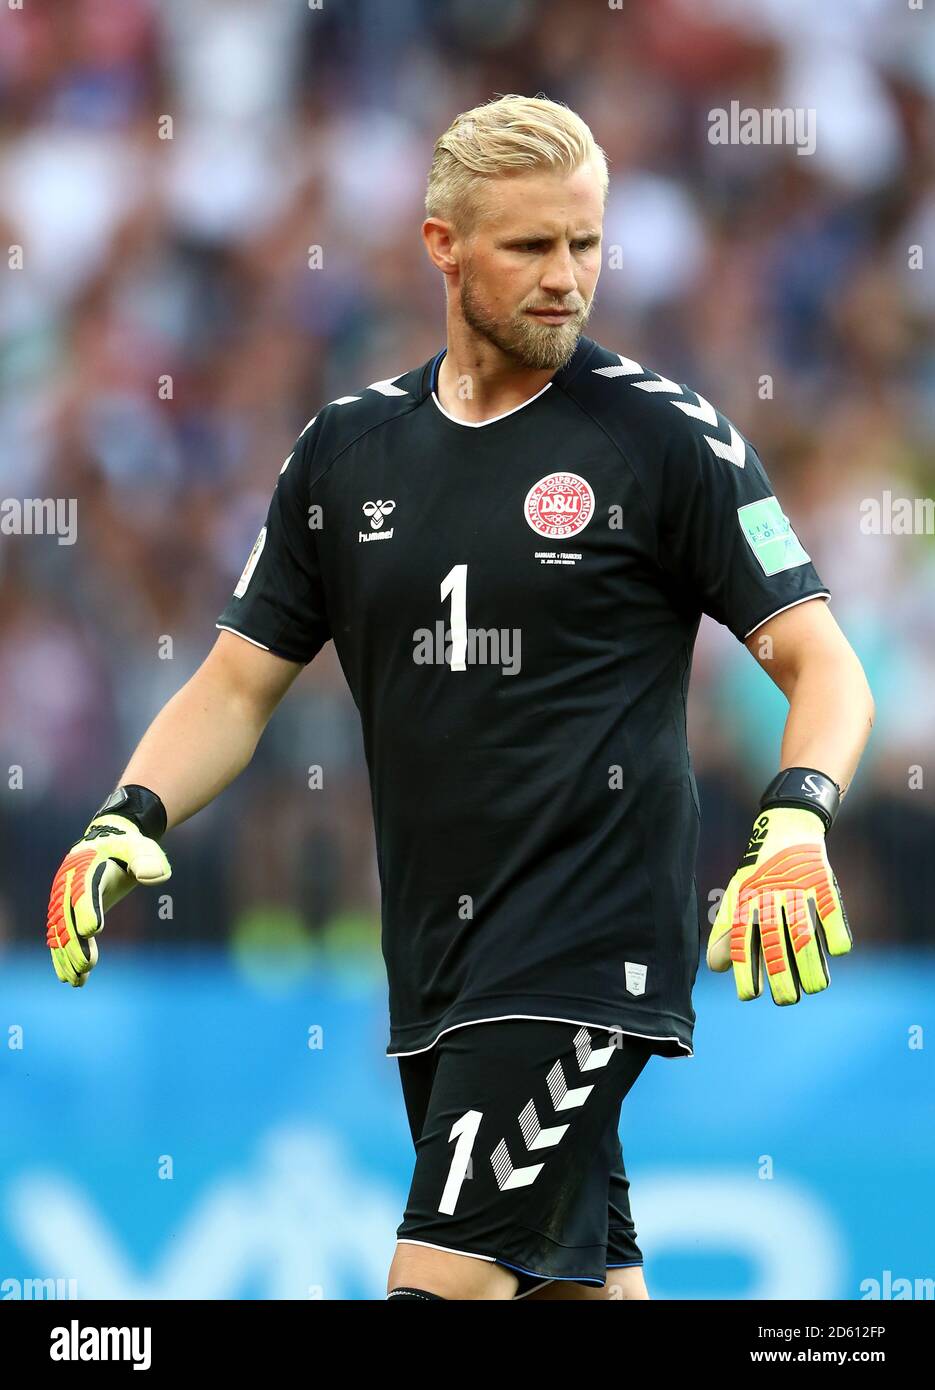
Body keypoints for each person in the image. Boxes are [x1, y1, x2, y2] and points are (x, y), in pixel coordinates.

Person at [45, 95, 874, 1301]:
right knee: (568, 1287)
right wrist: (131, 811)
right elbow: (236, 682)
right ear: (441, 246)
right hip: (437, 961)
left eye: (584, 245)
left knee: (436, 1284)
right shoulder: (343, 453)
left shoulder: (665, 439)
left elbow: (823, 664)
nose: (565, 278)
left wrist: (794, 816)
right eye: (529, 247)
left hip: (588, 947)